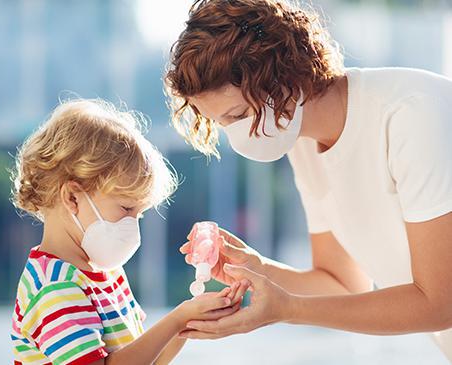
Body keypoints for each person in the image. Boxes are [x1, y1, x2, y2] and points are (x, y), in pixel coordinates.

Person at [164, 0, 452, 361]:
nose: (237, 137)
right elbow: (342, 285)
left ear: (282, 76)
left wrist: (289, 310)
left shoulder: (411, 115)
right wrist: (258, 270)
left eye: (237, 115)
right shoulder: (302, 142)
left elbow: (440, 303)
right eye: (223, 125)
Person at [10, 99, 249, 365]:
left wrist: (188, 321)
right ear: (72, 198)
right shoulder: (55, 287)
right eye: (126, 208)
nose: (133, 226)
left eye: (140, 214)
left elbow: (148, 359)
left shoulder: (106, 272)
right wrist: (178, 318)